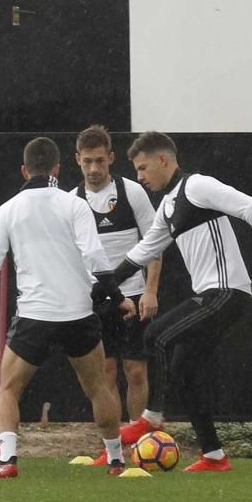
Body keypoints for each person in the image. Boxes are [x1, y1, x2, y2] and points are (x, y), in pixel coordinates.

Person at [103, 131, 252, 472]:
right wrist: (101, 286)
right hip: (211, 294)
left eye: (143, 168)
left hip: (227, 292)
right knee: (185, 372)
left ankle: (152, 417)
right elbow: (142, 253)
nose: (140, 177)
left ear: (163, 160)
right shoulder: (168, 206)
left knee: (155, 335)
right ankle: (214, 456)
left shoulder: (197, 186)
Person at [0, 137, 130, 478]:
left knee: (8, 389)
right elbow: (95, 257)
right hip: (78, 315)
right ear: (58, 168)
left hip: (34, 317)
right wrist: (117, 296)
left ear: (25, 170)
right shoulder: (74, 205)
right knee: (98, 386)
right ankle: (116, 460)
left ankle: (7, 461)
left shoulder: (9, 208)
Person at [70, 125, 163, 465]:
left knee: (136, 371)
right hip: (95, 302)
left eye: (100, 161)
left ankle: (143, 449)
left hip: (135, 295)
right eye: (87, 162)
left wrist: (150, 290)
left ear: (110, 159)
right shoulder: (72, 201)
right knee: (104, 374)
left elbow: (156, 243)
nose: (94, 169)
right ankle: (113, 450)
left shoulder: (132, 192)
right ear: (77, 161)